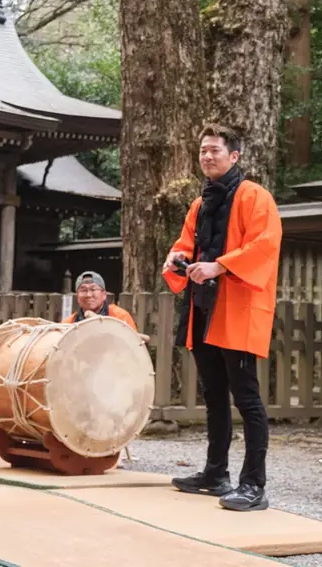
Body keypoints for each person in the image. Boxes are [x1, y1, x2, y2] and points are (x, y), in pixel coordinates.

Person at [161, 124, 282, 512]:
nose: (207, 156)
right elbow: (185, 243)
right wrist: (176, 259)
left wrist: (219, 266)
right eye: (203, 151)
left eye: (215, 150)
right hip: (204, 308)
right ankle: (216, 474)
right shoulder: (200, 203)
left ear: (235, 156)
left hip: (239, 306)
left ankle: (254, 486)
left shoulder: (254, 196)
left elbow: (264, 245)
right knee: (213, 395)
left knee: (246, 398)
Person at [61, 271, 137, 330]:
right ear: (77, 297)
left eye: (93, 289)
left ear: (104, 294)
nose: (88, 295)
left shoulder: (119, 317)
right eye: (83, 290)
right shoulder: (69, 323)